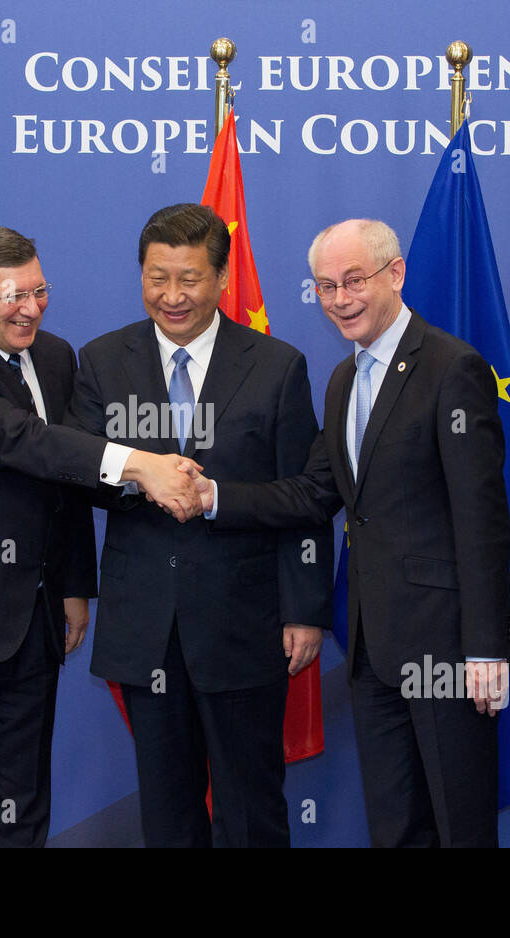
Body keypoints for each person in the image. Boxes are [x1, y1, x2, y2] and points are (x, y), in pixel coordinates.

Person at [0, 223, 203, 848]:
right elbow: (26, 443)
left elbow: (66, 476)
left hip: (30, 623)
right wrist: (140, 464)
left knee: (16, 814)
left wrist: (75, 584)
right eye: (12, 295)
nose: (31, 308)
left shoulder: (53, 356)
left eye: (39, 290)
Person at [198, 218, 510, 847]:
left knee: (460, 828)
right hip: (373, 652)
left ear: (395, 274)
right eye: (325, 286)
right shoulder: (345, 380)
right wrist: (213, 496)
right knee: (396, 830)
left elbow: (482, 519)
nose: (339, 299)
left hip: (449, 650)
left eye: (353, 281)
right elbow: (315, 493)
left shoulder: (453, 368)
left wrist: (486, 647)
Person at [66, 203, 333, 848]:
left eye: (189, 279)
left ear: (220, 279)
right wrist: (142, 476)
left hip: (246, 624)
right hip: (146, 626)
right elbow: (74, 472)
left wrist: (304, 609)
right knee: (167, 814)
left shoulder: (277, 365)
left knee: (249, 811)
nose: (172, 296)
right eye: (157, 278)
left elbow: (306, 494)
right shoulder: (102, 360)